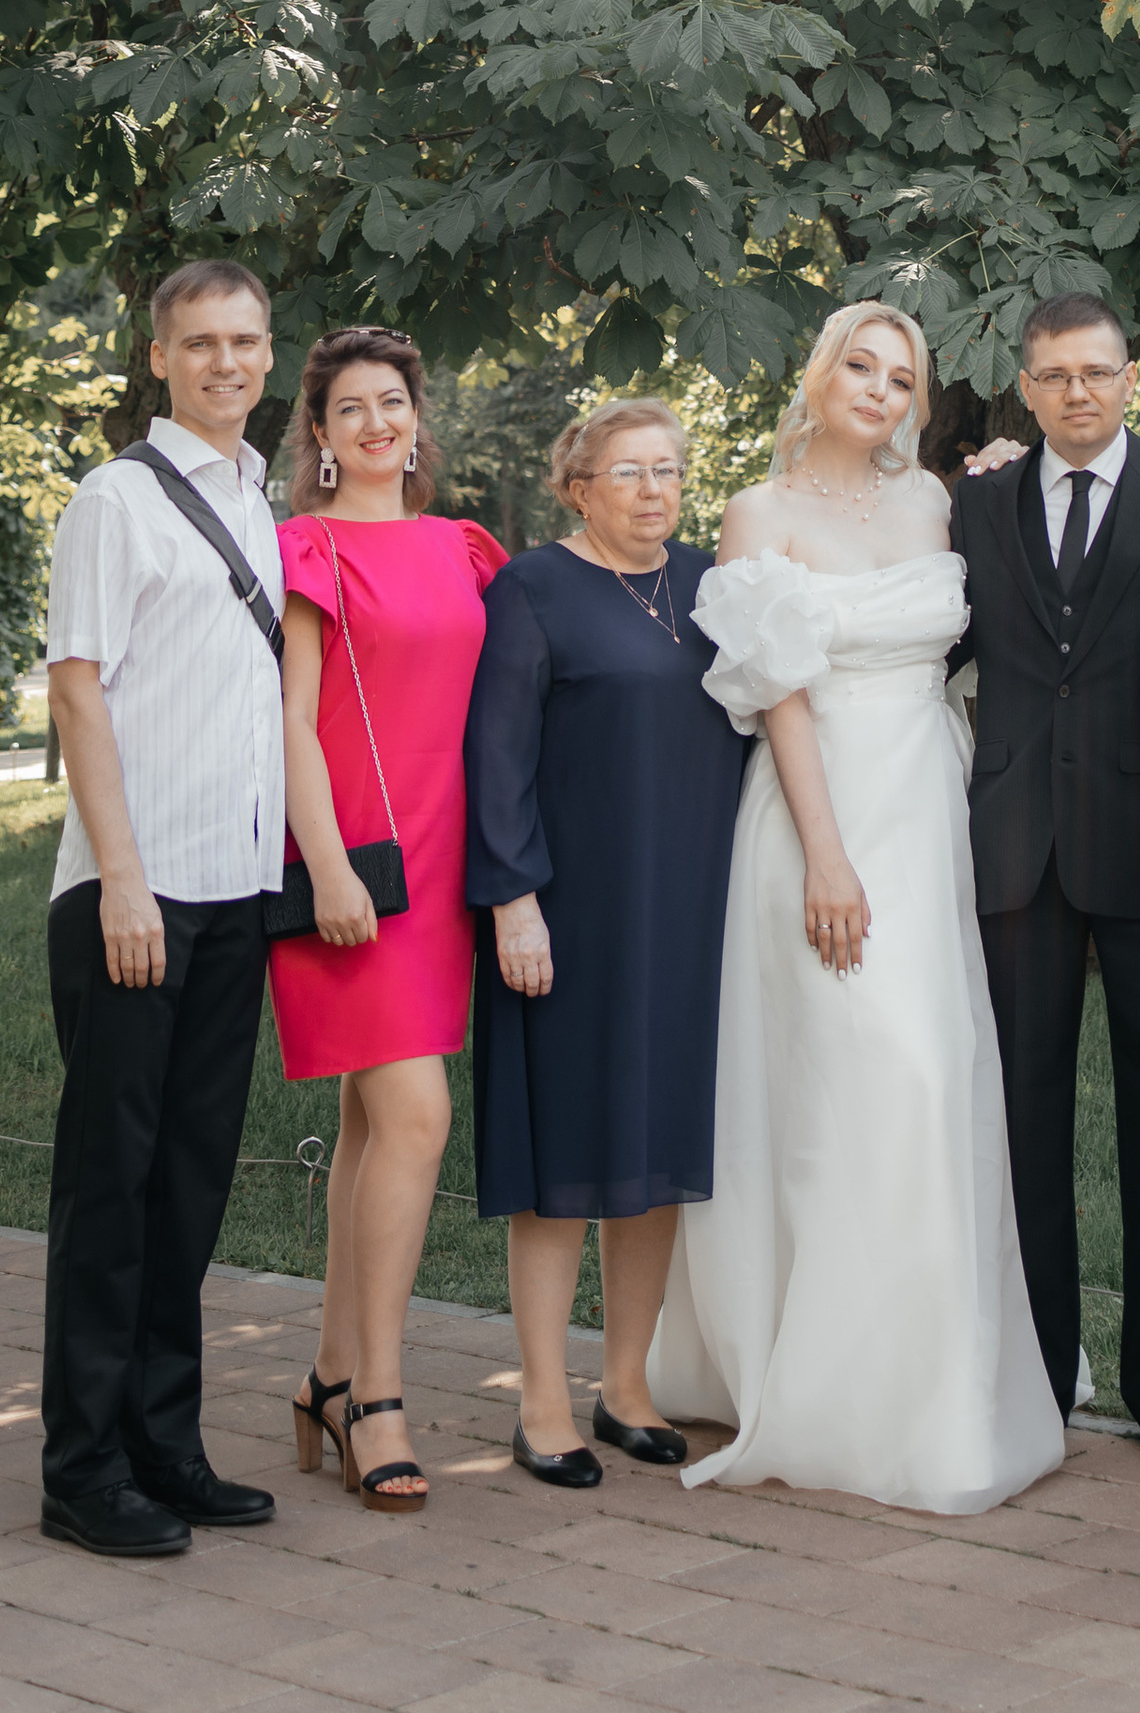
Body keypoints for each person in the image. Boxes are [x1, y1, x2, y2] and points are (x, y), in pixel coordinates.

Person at [649, 302, 1063, 1513]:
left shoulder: (941, 503)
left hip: (928, 812)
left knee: (932, 1078)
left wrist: (1006, 469)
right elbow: (775, 691)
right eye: (859, 367)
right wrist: (827, 857)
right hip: (815, 813)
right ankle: (820, 1376)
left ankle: (933, 1373)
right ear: (818, 376)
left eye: (902, 377)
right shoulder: (758, 515)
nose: (877, 390)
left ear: (918, 401)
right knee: (838, 1083)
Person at [39, 260, 288, 1558]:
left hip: (238, 885)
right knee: (111, 1183)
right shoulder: (117, 502)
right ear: (159, 357)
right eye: (201, 344)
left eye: (246, 341)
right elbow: (78, 692)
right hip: (136, 892)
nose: (227, 363)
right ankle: (80, 1467)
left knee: (188, 1181)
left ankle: (164, 1443)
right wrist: (122, 877)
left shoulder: (259, 493)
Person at [950, 290, 1140, 1470]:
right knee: (1023, 1120)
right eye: (1055, 375)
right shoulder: (975, 501)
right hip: (1014, 843)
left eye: (1097, 373)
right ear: (1025, 384)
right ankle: (1041, 1371)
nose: (1077, 393)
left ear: (1130, 377)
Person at [466, 396, 751, 1489]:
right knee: (563, 1164)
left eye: (669, 470)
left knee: (653, 1160)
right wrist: (513, 900)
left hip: (685, 911)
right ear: (576, 486)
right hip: (569, 914)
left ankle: (624, 1385)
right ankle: (541, 1401)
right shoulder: (533, 588)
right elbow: (496, 759)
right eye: (626, 472)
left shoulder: (711, 589)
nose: (653, 489)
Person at [272, 328, 505, 1514]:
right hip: (355, 873)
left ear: (419, 418)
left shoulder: (463, 550)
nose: (376, 422)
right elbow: (294, 723)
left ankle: (324, 1373)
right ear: (318, 435)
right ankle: (380, 1400)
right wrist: (324, 867)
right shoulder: (307, 551)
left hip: (444, 870)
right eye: (351, 408)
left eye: (394, 402)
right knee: (417, 1115)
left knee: (374, 1128)